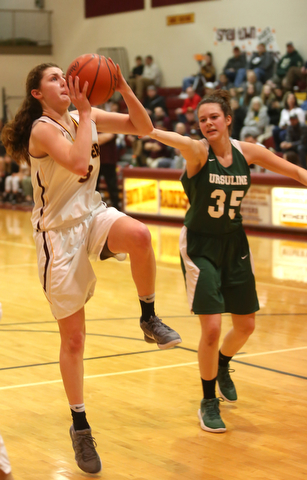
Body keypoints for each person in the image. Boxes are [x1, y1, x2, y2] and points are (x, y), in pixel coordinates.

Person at [1, 61, 181, 474]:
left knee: (140, 236)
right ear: (37, 94)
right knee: (75, 341)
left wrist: (122, 86)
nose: (62, 81)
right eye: (53, 79)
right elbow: (81, 163)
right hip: (57, 237)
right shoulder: (43, 129)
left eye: (65, 76)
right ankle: (80, 426)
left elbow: (144, 125)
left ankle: (149, 317)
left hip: (92, 217)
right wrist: (85, 114)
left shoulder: (88, 115)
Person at [143, 89, 307, 433]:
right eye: (202, 119)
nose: (207, 123)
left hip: (235, 244)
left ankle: (223, 363)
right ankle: (207, 401)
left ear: (228, 119)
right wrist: (148, 129)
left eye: (214, 117)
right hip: (200, 246)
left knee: (246, 325)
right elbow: (174, 138)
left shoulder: (248, 152)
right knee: (213, 327)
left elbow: (294, 171)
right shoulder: (197, 151)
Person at [96, 132, 121, 210]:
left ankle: (116, 208)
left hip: (108, 160)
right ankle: (94, 209)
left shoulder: (111, 126)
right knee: (94, 187)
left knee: (112, 187)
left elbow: (104, 138)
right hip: (95, 161)